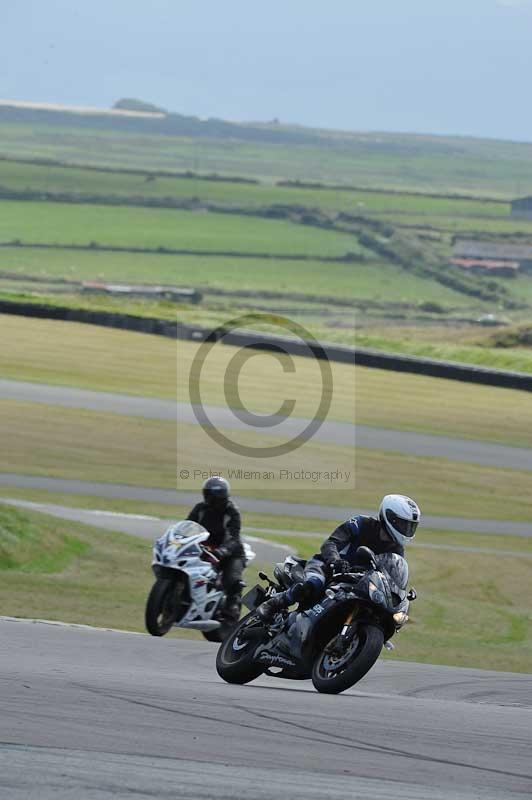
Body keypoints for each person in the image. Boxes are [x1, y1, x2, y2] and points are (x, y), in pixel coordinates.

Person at [257, 494, 420, 622]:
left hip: (356, 582)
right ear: (390, 518)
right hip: (325, 566)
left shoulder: (397, 550)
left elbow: (390, 575)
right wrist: (335, 561)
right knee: (313, 584)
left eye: (410, 526)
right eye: (403, 524)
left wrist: (398, 592)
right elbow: (331, 543)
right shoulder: (362, 523)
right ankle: (273, 604)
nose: (407, 529)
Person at [187, 476, 244, 621]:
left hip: (231, 553)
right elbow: (188, 526)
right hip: (204, 548)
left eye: (211, 496)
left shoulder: (231, 512)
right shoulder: (200, 508)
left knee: (233, 579)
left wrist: (221, 551)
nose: (208, 499)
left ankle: (232, 606)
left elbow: (234, 537)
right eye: (207, 495)